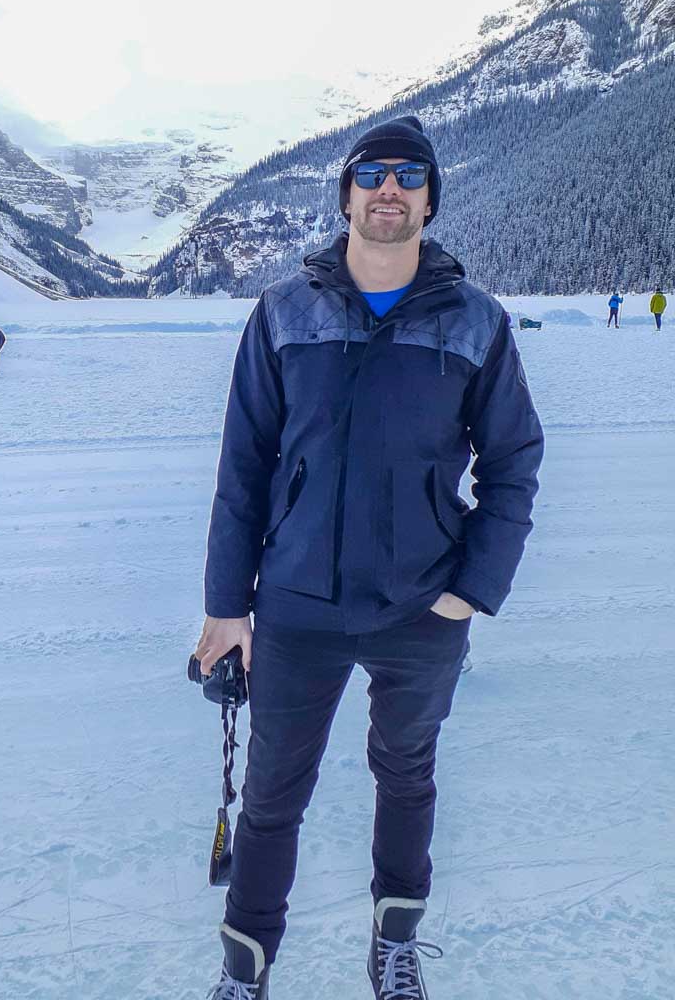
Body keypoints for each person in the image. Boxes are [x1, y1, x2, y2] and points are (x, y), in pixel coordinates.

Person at [195, 115, 544, 1000]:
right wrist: (226, 604)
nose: (390, 189)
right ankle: (247, 970)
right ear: (347, 194)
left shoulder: (476, 323)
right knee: (273, 794)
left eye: (409, 176)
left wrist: (472, 591)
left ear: (430, 199)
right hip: (298, 605)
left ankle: (393, 952)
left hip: (421, 607)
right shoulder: (284, 313)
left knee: (407, 776)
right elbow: (244, 465)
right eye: (373, 173)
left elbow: (513, 464)